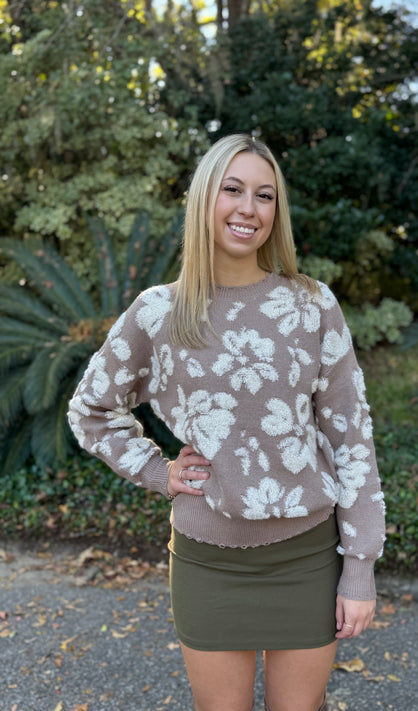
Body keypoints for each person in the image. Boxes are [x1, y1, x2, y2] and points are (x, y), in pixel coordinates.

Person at [68, 133, 386, 711]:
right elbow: (90, 409)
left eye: (265, 196)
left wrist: (359, 567)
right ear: (203, 199)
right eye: (232, 189)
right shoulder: (160, 311)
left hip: (307, 557)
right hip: (207, 560)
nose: (249, 208)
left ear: (276, 211)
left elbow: (351, 437)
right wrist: (157, 471)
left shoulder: (312, 305)